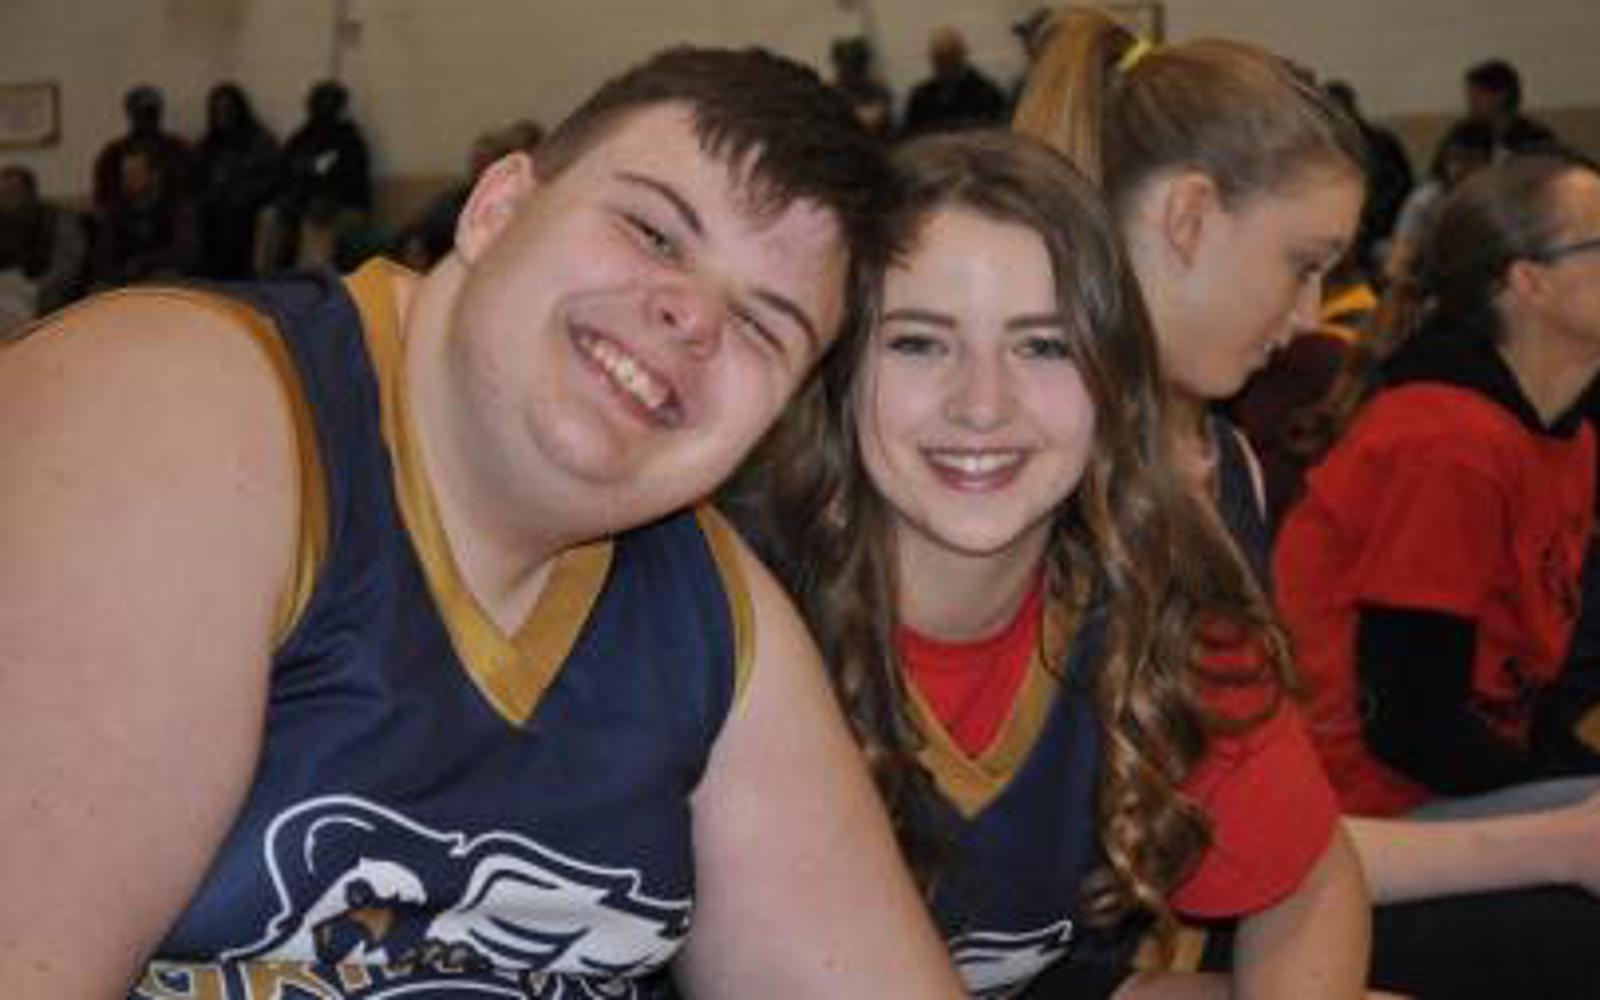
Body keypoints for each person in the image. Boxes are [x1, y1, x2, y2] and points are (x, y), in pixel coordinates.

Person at [0, 46, 968, 1000]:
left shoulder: (712, 612)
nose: (691, 318)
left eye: (762, 326)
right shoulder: (177, 412)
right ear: (497, 205)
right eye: (654, 233)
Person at [1015, 10, 1600, 997]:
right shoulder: (1009, 478)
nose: (1306, 316)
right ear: (1188, 218)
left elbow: (1272, 839)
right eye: (1304, 263)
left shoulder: (1216, 467)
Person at [740, 130, 1370, 999]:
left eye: (1044, 346)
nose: (983, 404)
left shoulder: (1154, 598)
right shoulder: (731, 610)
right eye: (919, 343)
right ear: (838, 371)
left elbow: (1310, 888)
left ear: (1112, 379)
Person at [1276, 151, 1600, 818]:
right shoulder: (1445, 445)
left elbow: (1529, 698)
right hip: (1365, 812)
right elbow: (1410, 727)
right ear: (1528, 281)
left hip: (1452, 786)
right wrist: (1562, 804)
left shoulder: (1563, 436)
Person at [263, 79, 373, 272]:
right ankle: (269, 277)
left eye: (328, 103)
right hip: (301, 203)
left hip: (344, 206)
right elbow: (283, 173)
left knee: (316, 219)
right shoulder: (300, 139)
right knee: (270, 216)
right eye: (317, 102)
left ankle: (314, 280)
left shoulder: (350, 140)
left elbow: (354, 182)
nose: (321, 108)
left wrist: (330, 198)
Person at [1323, 81, 1412, 280]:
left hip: (1381, 228)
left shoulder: (1382, 142)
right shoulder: (1326, 147)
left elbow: (1400, 189)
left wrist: (1368, 220)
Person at [194, 82, 281, 280]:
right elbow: (196, 180)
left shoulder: (260, 141)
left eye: (228, 110)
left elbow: (271, 179)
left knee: (234, 221)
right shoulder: (208, 144)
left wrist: (239, 192)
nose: (223, 116)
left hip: (249, 207)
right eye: (218, 111)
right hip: (215, 208)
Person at [0, 164, 87, 329]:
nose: (5, 200)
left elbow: (68, 263)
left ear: (29, 193)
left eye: (12, 193)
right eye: (2, 194)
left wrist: (40, 288)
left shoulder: (56, 218)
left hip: (44, 291)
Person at [1430, 58, 1558, 170]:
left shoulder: (1535, 138)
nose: (1471, 101)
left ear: (1501, 95)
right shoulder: (1460, 136)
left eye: (1478, 95)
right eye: (1470, 95)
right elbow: (1438, 176)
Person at [91, 84, 194, 217]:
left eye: (151, 113)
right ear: (131, 115)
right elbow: (103, 196)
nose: (146, 120)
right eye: (140, 114)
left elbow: (189, 192)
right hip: (125, 225)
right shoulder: (113, 154)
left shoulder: (178, 149)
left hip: (167, 224)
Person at [901, 26, 1008, 138]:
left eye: (949, 56)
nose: (945, 65)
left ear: (962, 55)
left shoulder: (987, 95)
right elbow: (908, 138)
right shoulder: (919, 98)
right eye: (939, 59)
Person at [829, 36, 894, 140]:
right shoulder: (827, 96)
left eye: (857, 64)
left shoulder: (880, 92)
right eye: (847, 64)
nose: (851, 70)